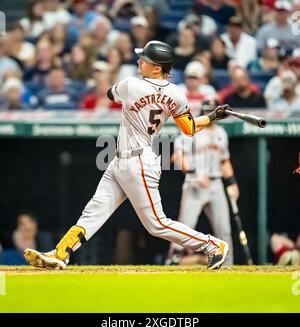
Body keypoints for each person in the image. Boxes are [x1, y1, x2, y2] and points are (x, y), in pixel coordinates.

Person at [24, 40, 230, 271]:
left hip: (139, 162)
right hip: (121, 161)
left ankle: (213, 245)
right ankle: (60, 254)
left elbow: (110, 94)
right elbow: (190, 128)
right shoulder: (176, 93)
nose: (139, 61)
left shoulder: (131, 85)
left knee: (157, 225)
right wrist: (212, 116)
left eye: (145, 60)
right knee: (94, 210)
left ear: (157, 68)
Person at [165, 98, 239, 266]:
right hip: (195, 183)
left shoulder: (221, 134)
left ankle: (228, 265)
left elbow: (224, 161)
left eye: (211, 111)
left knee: (224, 229)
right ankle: (171, 261)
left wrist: (232, 182)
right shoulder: (191, 131)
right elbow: (177, 157)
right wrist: (195, 173)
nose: (209, 114)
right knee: (185, 226)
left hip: (216, 184)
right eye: (206, 111)